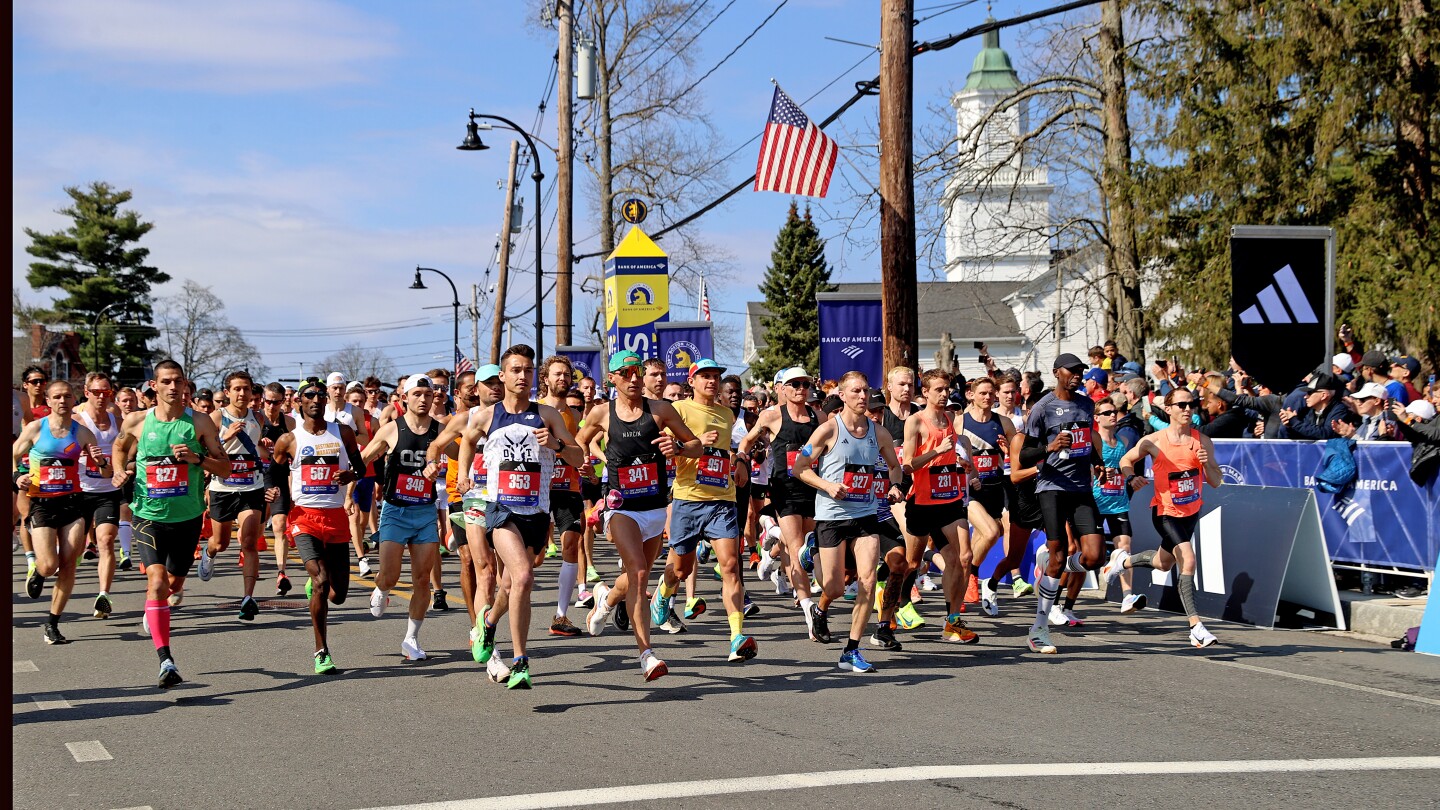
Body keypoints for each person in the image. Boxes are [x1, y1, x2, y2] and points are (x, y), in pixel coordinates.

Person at [449, 347, 584, 688]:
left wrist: (554, 445)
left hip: (537, 512)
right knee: (522, 577)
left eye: (527, 370)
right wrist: (464, 474)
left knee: (510, 585)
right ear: (504, 376)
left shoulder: (548, 414)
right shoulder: (485, 416)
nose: (522, 376)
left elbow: (578, 456)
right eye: (515, 370)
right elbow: (466, 442)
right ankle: (521, 660)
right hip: (501, 509)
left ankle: (489, 625)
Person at [576, 350, 702, 681]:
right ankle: (646, 654)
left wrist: (678, 449)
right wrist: (584, 461)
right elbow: (577, 444)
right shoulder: (602, 413)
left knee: (634, 576)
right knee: (642, 573)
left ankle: (604, 599)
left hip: (654, 507)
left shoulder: (660, 410)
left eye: (637, 372)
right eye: (626, 372)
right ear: (613, 379)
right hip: (620, 506)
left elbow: (697, 446)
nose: (633, 378)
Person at [110, 360, 232, 687]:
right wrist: (119, 471)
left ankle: (158, 608)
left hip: (188, 517)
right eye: (166, 381)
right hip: (148, 515)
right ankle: (166, 660)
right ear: (154, 385)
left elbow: (225, 469)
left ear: (185, 383)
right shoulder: (137, 422)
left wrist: (197, 459)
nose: (172, 387)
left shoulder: (201, 422)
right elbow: (118, 449)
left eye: (178, 381)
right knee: (156, 581)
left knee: (174, 585)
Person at [793, 371, 905, 672]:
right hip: (831, 516)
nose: (862, 396)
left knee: (868, 580)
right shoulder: (828, 431)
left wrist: (895, 486)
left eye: (865, 391)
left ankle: (851, 650)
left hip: (865, 514)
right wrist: (828, 486)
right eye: (855, 391)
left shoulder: (878, 433)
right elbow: (800, 468)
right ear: (842, 395)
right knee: (835, 587)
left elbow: (895, 467)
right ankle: (813, 557)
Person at [651, 359, 757, 662]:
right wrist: (691, 446)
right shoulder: (679, 410)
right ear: (692, 381)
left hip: (722, 499)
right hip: (688, 498)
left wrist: (736, 462)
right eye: (705, 376)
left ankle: (737, 636)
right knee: (681, 570)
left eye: (715, 376)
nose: (711, 381)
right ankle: (665, 591)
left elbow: (728, 449)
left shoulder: (727, 414)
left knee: (731, 565)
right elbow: (666, 447)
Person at [1106, 387, 1225, 648]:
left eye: (1191, 404)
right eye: (1181, 405)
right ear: (1168, 409)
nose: (1187, 409)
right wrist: (1131, 476)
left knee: (1163, 563)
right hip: (1165, 511)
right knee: (1189, 559)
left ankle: (1122, 561)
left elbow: (1215, 482)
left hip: (1191, 512)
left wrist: (1206, 464)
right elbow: (1126, 459)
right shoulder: (1155, 441)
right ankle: (1196, 626)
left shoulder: (1202, 441)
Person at [266, 379, 364, 673]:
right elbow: (273, 472)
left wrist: (349, 476)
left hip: (335, 517)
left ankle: (316, 584)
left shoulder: (342, 432)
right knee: (321, 581)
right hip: (305, 518)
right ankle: (321, 650)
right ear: (300, 402)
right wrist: (271, 491)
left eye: (321, 395)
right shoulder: (289, 439)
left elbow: (360, 466)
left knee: (339, 594)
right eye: (310, 395)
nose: (316, 399)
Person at [1021, 353, 1109, 655]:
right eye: (1071, 371)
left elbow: (1087, 441)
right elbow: (1024, 456)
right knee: (1059, 552)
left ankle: (1053, 568)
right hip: (1051, 487)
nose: (1077, 375)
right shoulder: (1042, 408)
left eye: (1080, 371)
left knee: (1096, 556)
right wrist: (1051, 446)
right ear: (1057, 372)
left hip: (1081, 487)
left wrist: (1097, 462)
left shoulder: (1086, 404)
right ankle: (1040, 628)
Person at [12, 380, 113, 644]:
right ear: (48, 401)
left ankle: (52, 623)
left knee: (69, 563)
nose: (62, 401)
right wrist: (17, 477)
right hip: (42, 504)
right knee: (49, 565)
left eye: (67, 396)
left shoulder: (82, 433)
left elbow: (105, 473)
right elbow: (13, 454)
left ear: (73, 400)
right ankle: (38, 571)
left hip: (72, 502)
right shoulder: (36, 428)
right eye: (57, 397)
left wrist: (100, 460)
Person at [359, 374, 443, 662]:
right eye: (417, 393)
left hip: (425, 512)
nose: (423, 399)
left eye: (427, 394)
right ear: (405, 397)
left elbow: (468, 449)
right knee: (391, 575)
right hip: (395, 511)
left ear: (434, 398)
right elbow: (364, 459)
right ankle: (381, 588)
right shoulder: (392, 429)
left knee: (422, 579)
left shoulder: (440, 431)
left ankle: (411, 639)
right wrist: (345, 485)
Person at [737, 367, 825, 639]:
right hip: (784, 490)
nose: (800, 388)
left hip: (812, 489)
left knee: (808, 545)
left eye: (805, 384)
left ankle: (771, 546)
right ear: (783, 389)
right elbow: (747, 441)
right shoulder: (772, 416)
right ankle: (809, 609)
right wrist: (741, 457)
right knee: (798, 549)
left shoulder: (818, 416)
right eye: (794, 384)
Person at [903, 369, 980, 643]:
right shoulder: (915, 422)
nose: (944, 394)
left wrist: (961, 466)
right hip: (922, 501)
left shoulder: (950, 418)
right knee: (910, 562)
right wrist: (936, 451)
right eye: (938, 389)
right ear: (925, 392)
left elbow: (948, 457)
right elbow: (908, 464)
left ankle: (952, 622)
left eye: (946, 389)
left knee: (963, 557)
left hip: (948, 499)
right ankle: (893, 604)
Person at [198, 371, 273, 621]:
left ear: (252, 393)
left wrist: (266, 449)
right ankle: (209, 554)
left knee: (250, 541)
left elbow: (259, 449)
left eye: (247, 389)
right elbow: (202, 451)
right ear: (227, 392)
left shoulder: (258, 418)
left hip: (251, 486)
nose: (242, 394)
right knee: (221, 543)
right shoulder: (216, 417)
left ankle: (248, 598)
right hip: (223, 487)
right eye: (237, 389)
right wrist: (225, 436)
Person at [959, 376, 1016, 618]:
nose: (988, 397)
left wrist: (1008, 452)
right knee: (991, 531)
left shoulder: (1003, 422)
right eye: (982, 393)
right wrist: (966, 471)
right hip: (970, 490)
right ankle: (971, 575)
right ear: (971, 395)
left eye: (991, 393)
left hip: (996, 487)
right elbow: (951, 454)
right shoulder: (960, 422)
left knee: (992, 535)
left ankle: (962, 583)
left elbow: (1018, 455)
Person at [539, 355, 587, 638]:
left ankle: (561, 615)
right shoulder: (534, 410)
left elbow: (576, 450)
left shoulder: (572, 415)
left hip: (567, 487)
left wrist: (584, 465)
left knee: (571, 544)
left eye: (567, 375)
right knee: (535, 559)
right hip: (537, 489)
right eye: (558, 374)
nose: (563, 379)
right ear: (545, 379)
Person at [74, 372, 124, 618]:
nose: (102, 397)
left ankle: (103, 595)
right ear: (87, 392)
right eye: (96, 392)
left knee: (105, 541)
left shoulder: (117, 419)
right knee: (71, 550)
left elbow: (127, 450)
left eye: (106, 392)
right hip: (80, 492)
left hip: (108, 491)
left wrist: (124, 467)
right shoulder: (77, 420)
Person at [1090, 397, 1143, 615]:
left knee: (1125, 548)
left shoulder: (1122, 440)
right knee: (1091, 553)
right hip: (1095, 502)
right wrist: (1100, 472)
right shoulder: (1095, 441)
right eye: (1107, 413)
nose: (1113, 415)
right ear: (1097, 418)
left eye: (1114, 411)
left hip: (1118, 502)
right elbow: (1084, 468)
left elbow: (1127, 465)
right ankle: (1058, 598)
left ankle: (1127, 596)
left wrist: (1130, 477)